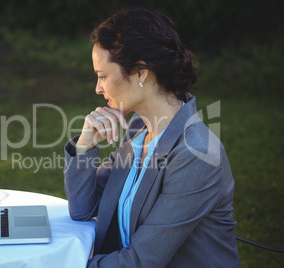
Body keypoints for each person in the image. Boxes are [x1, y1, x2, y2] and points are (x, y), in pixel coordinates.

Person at [63, 8, 240, 267]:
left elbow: (142, 261)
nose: (98, 88)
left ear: (140, 72)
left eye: (102, 76)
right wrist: (85, 146)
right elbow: (82, 208)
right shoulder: (138, 130)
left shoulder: (196, 154)